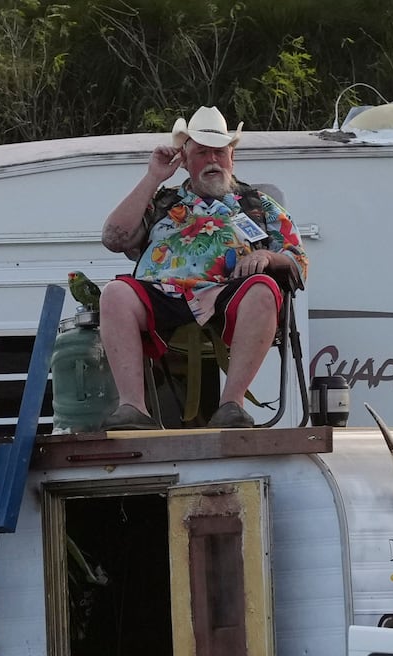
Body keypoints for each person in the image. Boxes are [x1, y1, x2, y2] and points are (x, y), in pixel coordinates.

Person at [97, 105, 308, 430]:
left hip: (230, 293)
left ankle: (232, 404)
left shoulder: (258, 204)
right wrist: (153, 176)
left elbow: (298, 261)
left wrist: (268, 258)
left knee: (265, 288)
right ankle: (133, 409)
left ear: (232, 158)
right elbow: (113, 238)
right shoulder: (162, 202)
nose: (212, 160)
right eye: (202, 153)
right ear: (184, 159)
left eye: (219, 152)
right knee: (114, 294)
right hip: (162, 294)